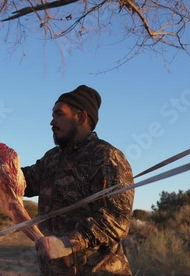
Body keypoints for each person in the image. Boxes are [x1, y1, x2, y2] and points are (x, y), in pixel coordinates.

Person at [21, 85, 135, 275]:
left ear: (81, 117)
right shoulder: (52, 158)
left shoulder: (106, 157)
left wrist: (68, 243)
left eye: (59, 114)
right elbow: (22, 182)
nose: (51, 121)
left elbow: (116, 221)